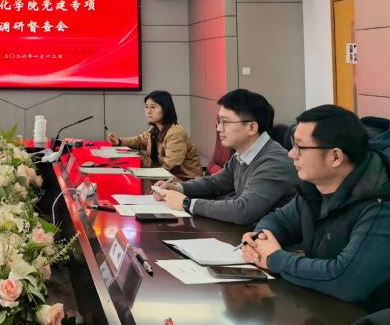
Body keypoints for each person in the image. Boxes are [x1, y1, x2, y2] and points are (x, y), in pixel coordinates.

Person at [242, 105, 390, 311]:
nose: (291, 154)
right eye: (293, 144)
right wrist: (259, 239)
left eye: (300, 147)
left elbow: (345, 280)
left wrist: (274, 258)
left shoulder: (380, 205)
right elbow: (279, 220)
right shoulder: (315, 188)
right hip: (325, 307)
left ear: (335, 157)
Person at [154, 89, 298, 225]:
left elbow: (244, 211)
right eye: (219, 122)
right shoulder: (242, 154)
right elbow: (215, 184)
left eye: (226, 122)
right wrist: (177, 188)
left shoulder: (275, 162)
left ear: (252, 128)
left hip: (268, 238)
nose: (219, 128)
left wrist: (187, 203)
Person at [107, 90, 202, 180]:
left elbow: (171, 166)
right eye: (146, 107)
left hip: (184, 180)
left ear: (165, 109)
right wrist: (119, 141)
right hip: (163, 176)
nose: (148, 111)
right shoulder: (155, 129)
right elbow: (140, 141)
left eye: (153, 107)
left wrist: (143, 172)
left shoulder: (175, 133)